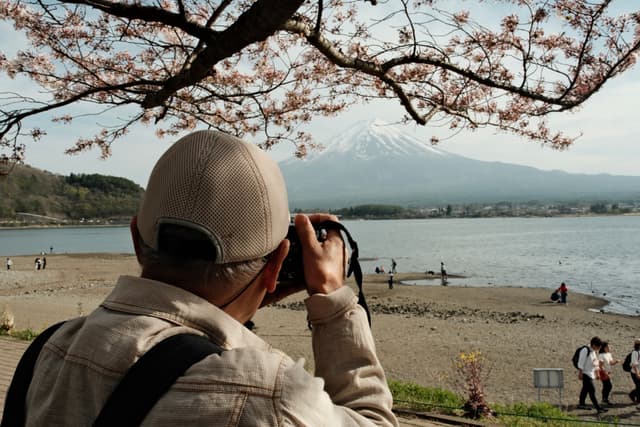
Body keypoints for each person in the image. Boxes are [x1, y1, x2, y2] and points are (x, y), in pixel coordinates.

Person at [21, 130, 397, 426]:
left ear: (136, 238)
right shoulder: (271, 395)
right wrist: (332, 301)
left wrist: (235, 310)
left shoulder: (48, 350)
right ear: (278, 262)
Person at [577, 336, 607, 413]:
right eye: (598, 347)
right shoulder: (585, 350)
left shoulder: (593, 351)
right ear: (594, 345)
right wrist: (580, 373)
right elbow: (581, 362)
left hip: (590, 373)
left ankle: (581, 404)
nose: (599, 349)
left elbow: (595, 362)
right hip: (585, 373)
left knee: (585, 389)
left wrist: (597, 373)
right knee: (592, 390)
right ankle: (598, 408)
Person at [628, 339, 640, 405]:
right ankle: (637, 399)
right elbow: (634, 364)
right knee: (639, 387)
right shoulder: (635, 352)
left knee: (639, 387)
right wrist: (637, 373)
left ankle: (632, 395)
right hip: (635, 373)